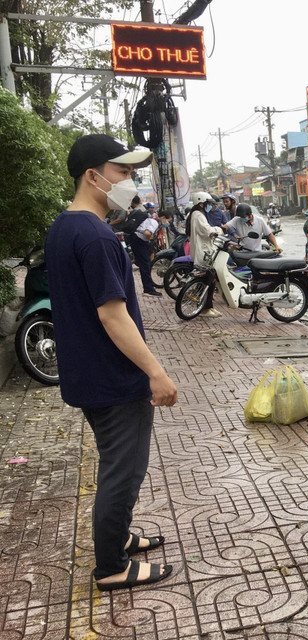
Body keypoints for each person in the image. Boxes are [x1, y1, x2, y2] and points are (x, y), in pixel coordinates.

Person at [46, 133, 178, 591]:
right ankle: (111, 567)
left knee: (115, 463)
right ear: (92, 176)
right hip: (114, 379)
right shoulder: (97, 236)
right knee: (123, 472)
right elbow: (113, 316)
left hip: (88, 374)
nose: (129, 181)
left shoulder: (65, 227)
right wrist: (156, 373)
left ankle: (118, 537)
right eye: (122, 171)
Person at [187, 192, 224, 318]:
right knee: (208, 280)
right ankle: (204, 309)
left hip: (204, 250)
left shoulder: (197, 214)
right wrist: (220, 229)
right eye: (208, 204)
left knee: (211, 280)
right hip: (204, 252)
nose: (210, 206)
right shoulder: (198, 215)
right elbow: (207, 231)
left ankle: (208, 307)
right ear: (201, 204)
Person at [126, 195, 161, 297]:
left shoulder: (145, 216)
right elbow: (147, 233)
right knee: (145, 264)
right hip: (139, 240)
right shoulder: (154, 222)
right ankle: (148, 289)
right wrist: (151, 238)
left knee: (144, 263)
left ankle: (148, 287)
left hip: (135, 238)